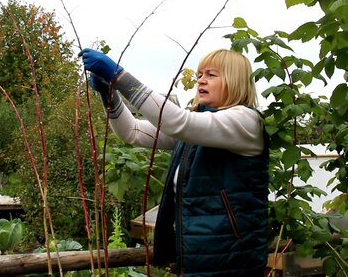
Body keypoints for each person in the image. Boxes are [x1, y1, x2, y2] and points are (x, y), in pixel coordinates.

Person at [79, 48, 270, 276]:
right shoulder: (197, 127)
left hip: (232, 262)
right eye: (200, 74)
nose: (201, 80)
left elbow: (177, 122)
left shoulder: (246, 121)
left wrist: (118, 76)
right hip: (198, 258)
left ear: (234, 80)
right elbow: (133, 131)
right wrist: (110, 97)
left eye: (211, 74)